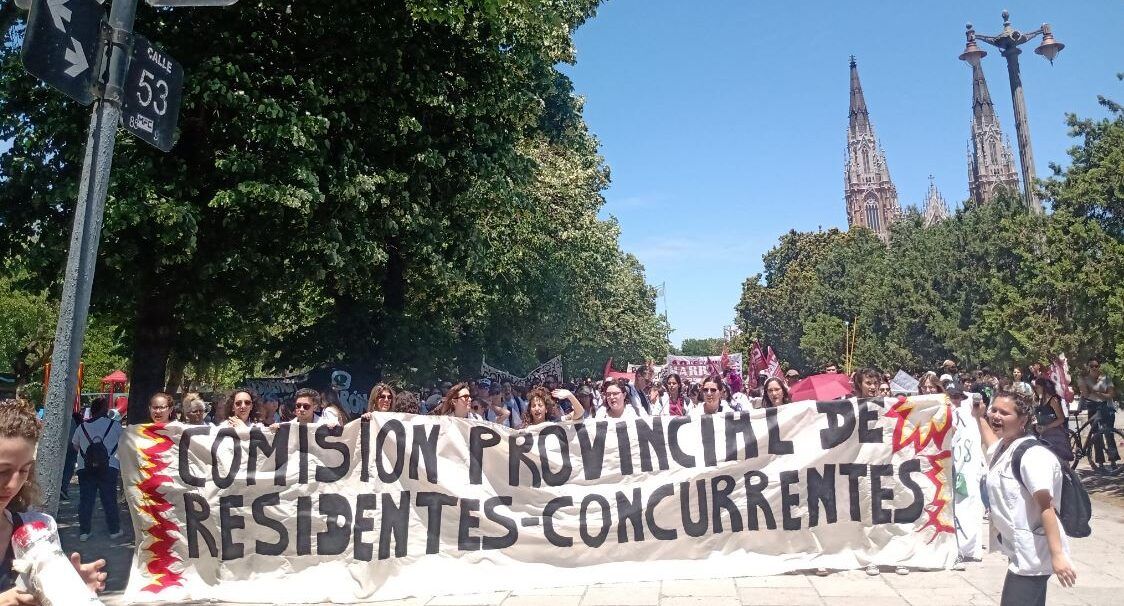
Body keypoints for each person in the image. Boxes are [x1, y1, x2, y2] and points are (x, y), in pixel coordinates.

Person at [971, 391, 1076, 604]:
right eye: (994, 410)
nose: (996, 416)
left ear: (1023, 420)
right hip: (1022, 552)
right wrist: (979, 416)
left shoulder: (1033, 456)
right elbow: (991, 444)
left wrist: (1057, 556)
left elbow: (1046, 508)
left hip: (1034, 554)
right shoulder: (1005, 447)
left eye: (1004, 413)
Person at [0, 399, 109, 602]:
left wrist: (67, 586)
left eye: (24, 470)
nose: (13, 484)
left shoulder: (36, 529)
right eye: (2, 471)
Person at [70, 396, 123, 542]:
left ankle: (84, 532)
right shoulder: (115, 425)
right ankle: (114, 530)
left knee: (86, 499)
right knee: (109, 498)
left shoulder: (82, 426)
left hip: (85, 467)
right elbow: (123, 443)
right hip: (109, 466)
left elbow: (75, 446)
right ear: (106, 409)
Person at [1078, 358, 1118, 473]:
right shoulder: (1085, 380)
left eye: (1096, 365)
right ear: (1089, 367)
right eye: (1092, 366)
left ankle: (1113, 461)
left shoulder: (1105, 378)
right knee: (1096, 435)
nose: (1094, 368)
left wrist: (1097, 394)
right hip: (1092, 408)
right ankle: (1100, 463)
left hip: (1105, 407)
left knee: (1108, 434)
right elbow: (1083, 395)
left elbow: (1111, 394)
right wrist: (1079, 408)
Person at [1033, 378, 1072, 463]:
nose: (1035, 389)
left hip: (1055, 435)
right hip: (1045, 435)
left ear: (1043, 387)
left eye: (1037, 387)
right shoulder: (1041, 400)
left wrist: (1047, 427)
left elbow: (1061, 419)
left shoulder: (1053, 400)